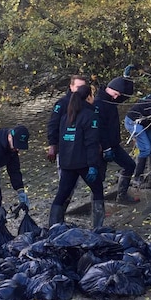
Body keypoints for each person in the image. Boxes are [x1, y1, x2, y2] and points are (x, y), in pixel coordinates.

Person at [49, 85, 103, 227]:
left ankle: (53, 225)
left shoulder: (66, 116)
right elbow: (91, 143)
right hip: (83, 163)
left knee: (62, 193)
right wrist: (93, 165)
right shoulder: (90, 116)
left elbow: (63, 139)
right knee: (97, 190)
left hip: (67, 163)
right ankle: (97, 227)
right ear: (89, 97)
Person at [93, 75, 138, 204]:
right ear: (109, 89)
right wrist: (106, 147)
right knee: (99, 178)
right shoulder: (99, 104)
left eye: (118, 94)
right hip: (101, 146)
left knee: (129, 165)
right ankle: (97, 205)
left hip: (114, 144)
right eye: (115, 94)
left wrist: (127, 80)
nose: (116, 97)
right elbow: (99, 129)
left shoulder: (111, 99)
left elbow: (125, 95)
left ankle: (122, 196)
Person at [46, 75, 88, 163]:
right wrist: (52, 144)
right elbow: (53, 124)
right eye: (78, 87)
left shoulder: (88, 104)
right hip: (65, 147)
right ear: (71, 87)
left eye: (82, 88)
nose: (80, 90)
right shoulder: (62, 104)